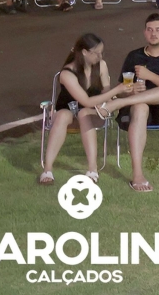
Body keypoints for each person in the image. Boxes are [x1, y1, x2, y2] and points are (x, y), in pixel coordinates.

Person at [96, 13, 159, 192]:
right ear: (144, 33)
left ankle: (117, 105)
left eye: (158, 30)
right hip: (139, 111)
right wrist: (130, 90)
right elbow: (122, 87)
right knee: (140, 107)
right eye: (149, 30)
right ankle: (138, 174)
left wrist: (150, 76)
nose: (153, 33)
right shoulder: (134, 56)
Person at [38, 34, 129, 185]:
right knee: (63, 115)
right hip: (69, 111)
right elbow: (85, 101)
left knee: (84, 114)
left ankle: (92, 169)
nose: (100, 56)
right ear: (85, 52)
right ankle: (47, 169)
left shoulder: (101, 65)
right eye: (97, 53)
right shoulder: (67, 73)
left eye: (102, 52)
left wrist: (110, 99)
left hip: (91, 112)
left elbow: (105, 91)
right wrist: (117, 90)